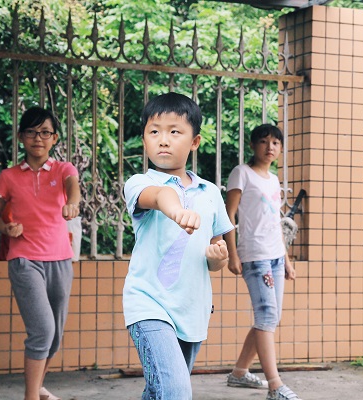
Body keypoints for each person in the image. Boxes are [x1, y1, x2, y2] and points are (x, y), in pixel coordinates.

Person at [123, 92, 234, 400]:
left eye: (174, 132)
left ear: (194, 142)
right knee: (176, 392)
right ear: (144, 139)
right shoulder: (138, 182)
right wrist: (176, 211)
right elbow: (159, 197)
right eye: (154, 131)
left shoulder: (210, 192)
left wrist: (218, 257)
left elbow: (215, 249)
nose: (163, 140)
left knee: (162, 392)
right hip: (149, 304)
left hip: (192, 309)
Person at [0, 106, 81, 400]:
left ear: (54, 138)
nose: (37, 138)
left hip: (61, 260)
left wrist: (72, 203)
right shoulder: (9, 176)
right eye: (31, 132)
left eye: (44, 132)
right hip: (24, 260)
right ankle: (31, 397)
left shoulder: (64, 169)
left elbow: (73, 188)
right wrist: (6, 227)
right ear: (21, 137)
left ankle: (38, 385)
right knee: (42, 329)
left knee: (54, 337)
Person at [225, 124, 301, 400]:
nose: (270, 147)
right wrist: (233, 254)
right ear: (253, 145)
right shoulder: (241, 173)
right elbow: (228, 216)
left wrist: (287, 259)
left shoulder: (273, 180)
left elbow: (275, 223)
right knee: (267, 315)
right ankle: (275, 385)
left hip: (276, 256)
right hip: (254, 254)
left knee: (269, 317)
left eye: (276, 143)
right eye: (264, 141)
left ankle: (239, 373)